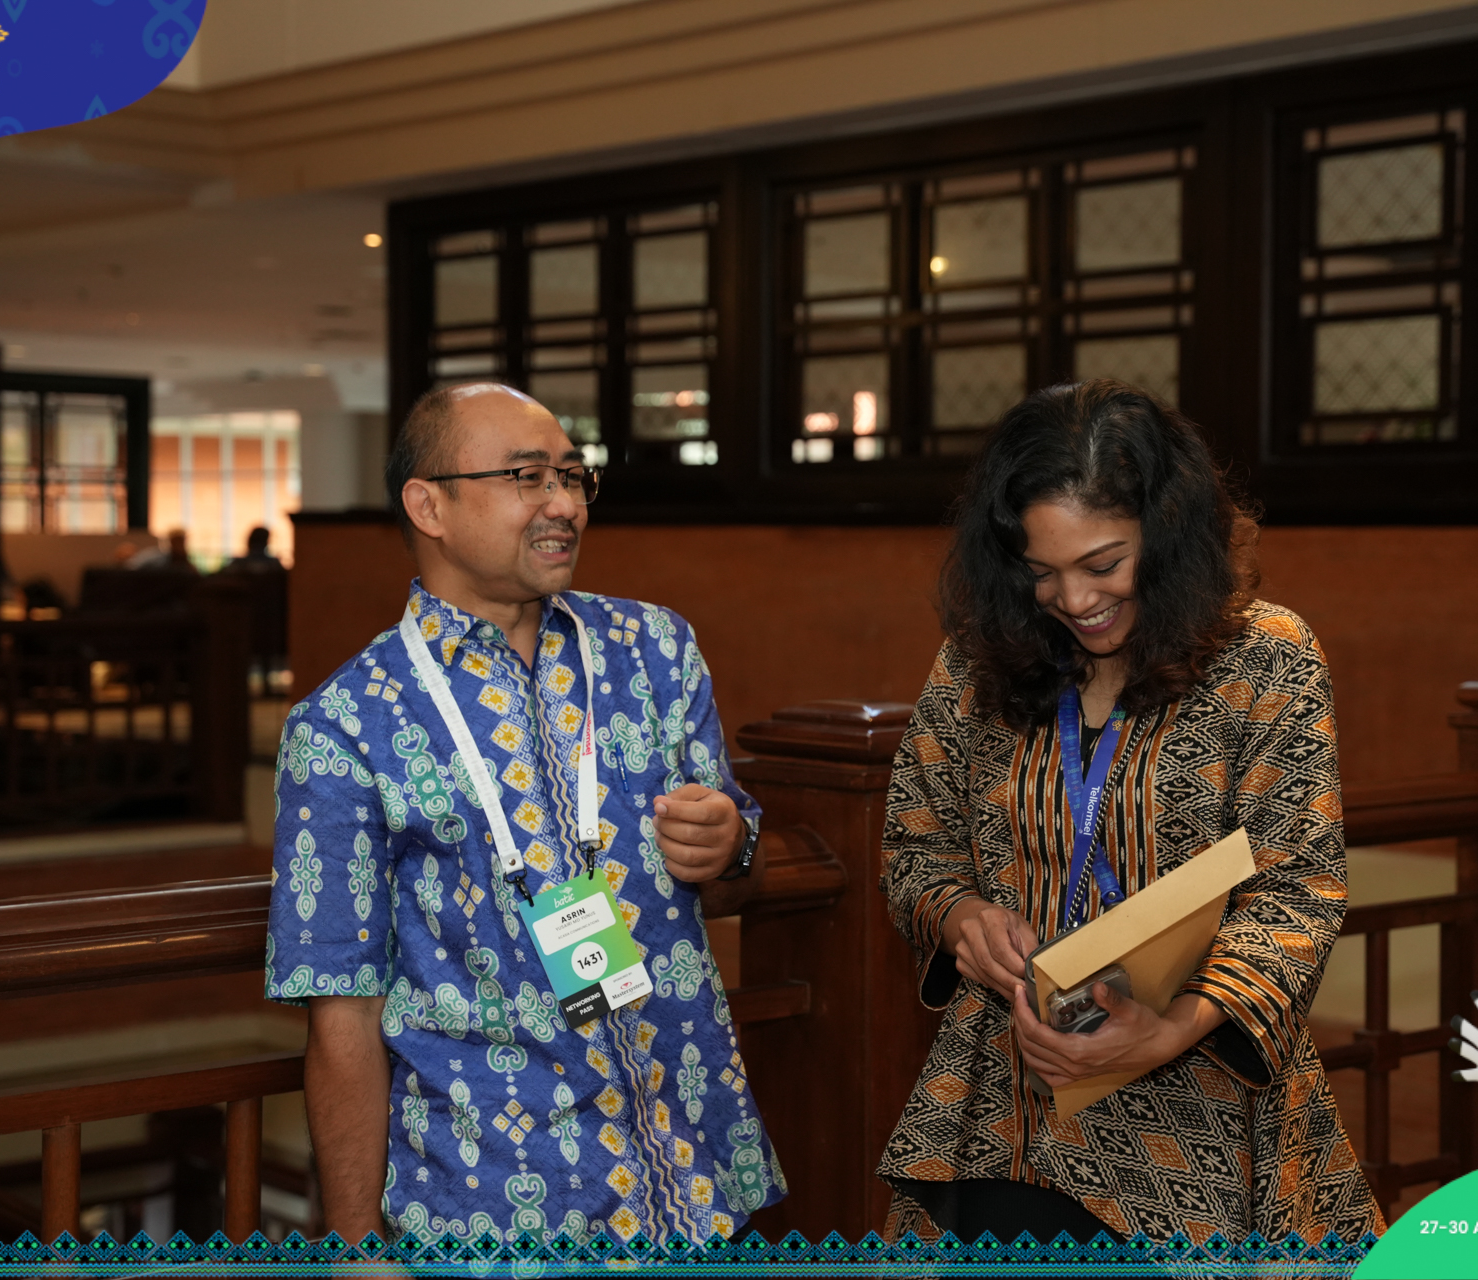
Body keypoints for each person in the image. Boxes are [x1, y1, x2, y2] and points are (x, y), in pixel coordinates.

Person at [266, 383, 783, 1246]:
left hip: (702, 1180)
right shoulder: (344, 727)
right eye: (527, 476)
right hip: (502, 1214)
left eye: (573, 477)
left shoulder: (655, 651)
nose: (564, 504)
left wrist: (730, 844)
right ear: (429, 505)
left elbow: (734, 878)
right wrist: (355, 1247)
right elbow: (342, 1015)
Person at [877, 381, 1383, 1246]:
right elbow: (915, 845)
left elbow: (1298, 890)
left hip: (1197, 1115)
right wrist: (961, 917)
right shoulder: (978, 661)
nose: (1074, 600)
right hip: (1005, 1099)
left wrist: (1165, 1032)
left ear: (1169, 535)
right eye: (1041, 572)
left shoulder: (1265, 659)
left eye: (1104, 564)